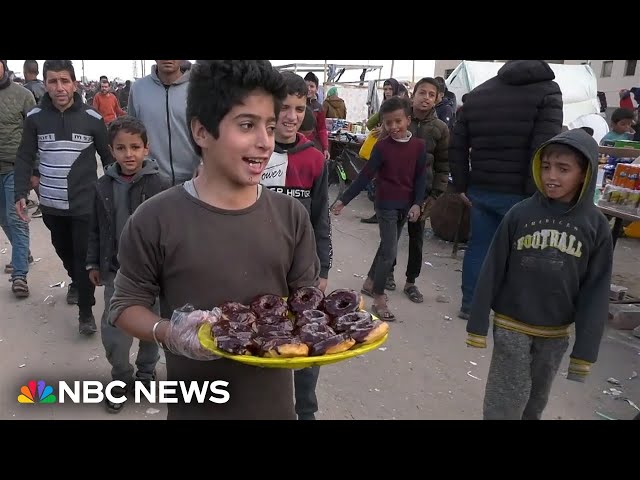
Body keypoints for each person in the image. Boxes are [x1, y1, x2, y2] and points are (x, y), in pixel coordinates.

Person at [108, 60, 321, 420]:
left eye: (269, 126)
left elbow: (307, 305)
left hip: (274, 408)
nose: (264, 142)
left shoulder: (291, 216)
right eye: (247, 125)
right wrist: (170, 332)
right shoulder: (155, 219)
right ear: (202, 132)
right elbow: (124, 307)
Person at [466, 127, 613, 420]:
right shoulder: (520, 214)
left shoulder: (595, 226)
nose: (551, 176)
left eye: (563, 169)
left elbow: (595, 291)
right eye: (546, 167)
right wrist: (478, 322)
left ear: (584, 174)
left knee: (535, 400)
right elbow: (492, 268)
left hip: (555, 331)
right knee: (505, 399)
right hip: (512, 324)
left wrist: (585, 351)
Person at [449, 60, 563, 320]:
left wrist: (462, 184)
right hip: (522, 193)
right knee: (523, 253)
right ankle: (513, 312)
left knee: (479, 247)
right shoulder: (547, 91)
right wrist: (538, 191)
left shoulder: (479, 94)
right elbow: (544, 147)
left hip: (482, 188)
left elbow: (457, 143)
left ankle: (471, 306)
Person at [14, 60, 114, 334]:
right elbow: (24, 156)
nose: (59, 88)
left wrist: (114, 192)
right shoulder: (35, 117)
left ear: (74, 84)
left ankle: (85, 312)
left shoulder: (92, 119)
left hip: (85, 204)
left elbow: (107, 158)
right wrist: (20, 192)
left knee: (83, 256)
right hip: (52, 204)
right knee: (64, 250)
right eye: (53, 81)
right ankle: (75, 280)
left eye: (65, 81)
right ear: (45, 84)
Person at [86, 116, 170, 413]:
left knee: (150, 329)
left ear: (147, 149)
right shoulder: (102, 186)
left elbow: (170, 233)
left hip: (152, 276)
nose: (129, 153)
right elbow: (96, 228)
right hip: (114, 274)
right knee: (115, 334)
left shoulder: (161, 185)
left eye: (135, 146)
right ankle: (120, 377)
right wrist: (92, 262)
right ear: (111, 150)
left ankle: (146, 372)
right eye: (121, 148)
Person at [261, 71, 331, 420]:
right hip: (259, 266)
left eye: (299, 108)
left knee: (307, 341)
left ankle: (306, 410)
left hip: (303, 269)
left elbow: (321, 219)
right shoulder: (256, 153)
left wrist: (324, 267)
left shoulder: (315, 158)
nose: (291, 116)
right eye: (283, 107)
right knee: (264, 337)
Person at [332, 96, 429, 321]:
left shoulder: (419, 147)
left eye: (398, 121)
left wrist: (417, 203)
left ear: (408, 119)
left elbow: (421, 177)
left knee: (388, 246)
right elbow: (364, 176)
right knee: (390, 251)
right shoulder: (382, 147)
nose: (393, 127)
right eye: (388, 123)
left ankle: (369, 281)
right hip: (385, 204)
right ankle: (378, 296)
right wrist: (344, 200)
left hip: (406, 205)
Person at [387, 78, 449, 302]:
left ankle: (411, 282)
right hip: (396, 189)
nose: (426, 98)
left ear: (437, 99)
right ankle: (387, 274)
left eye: (431, 95)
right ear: (413, 95)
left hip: (422, 194)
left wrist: (436, 194)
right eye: (422, 92)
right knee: (391, 236)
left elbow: (443, 164)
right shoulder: (401, 120)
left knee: (416, 239)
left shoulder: (440, 128)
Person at [128, 60, 201, 186]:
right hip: (149, 180)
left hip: (193, 180)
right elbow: (131, 133)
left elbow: (211, 132)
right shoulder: (138, 89)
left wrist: (205, 165)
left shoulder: (198, 87)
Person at [0, 59, 36, 298]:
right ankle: (23, 254)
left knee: (17, 219)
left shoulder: (23, 95)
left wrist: (35, 170)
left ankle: (19, 275)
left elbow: (36, 134)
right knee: (3, 218)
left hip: (16, 168)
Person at [303, 72, 330, 160]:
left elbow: (321, 129)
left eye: (312, 86)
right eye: (306, 86)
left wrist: (325, 148)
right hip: (295, 144)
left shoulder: (319, 108)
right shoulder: (296, 103)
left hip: (311, 145)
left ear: (317, 88)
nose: (308, 89)